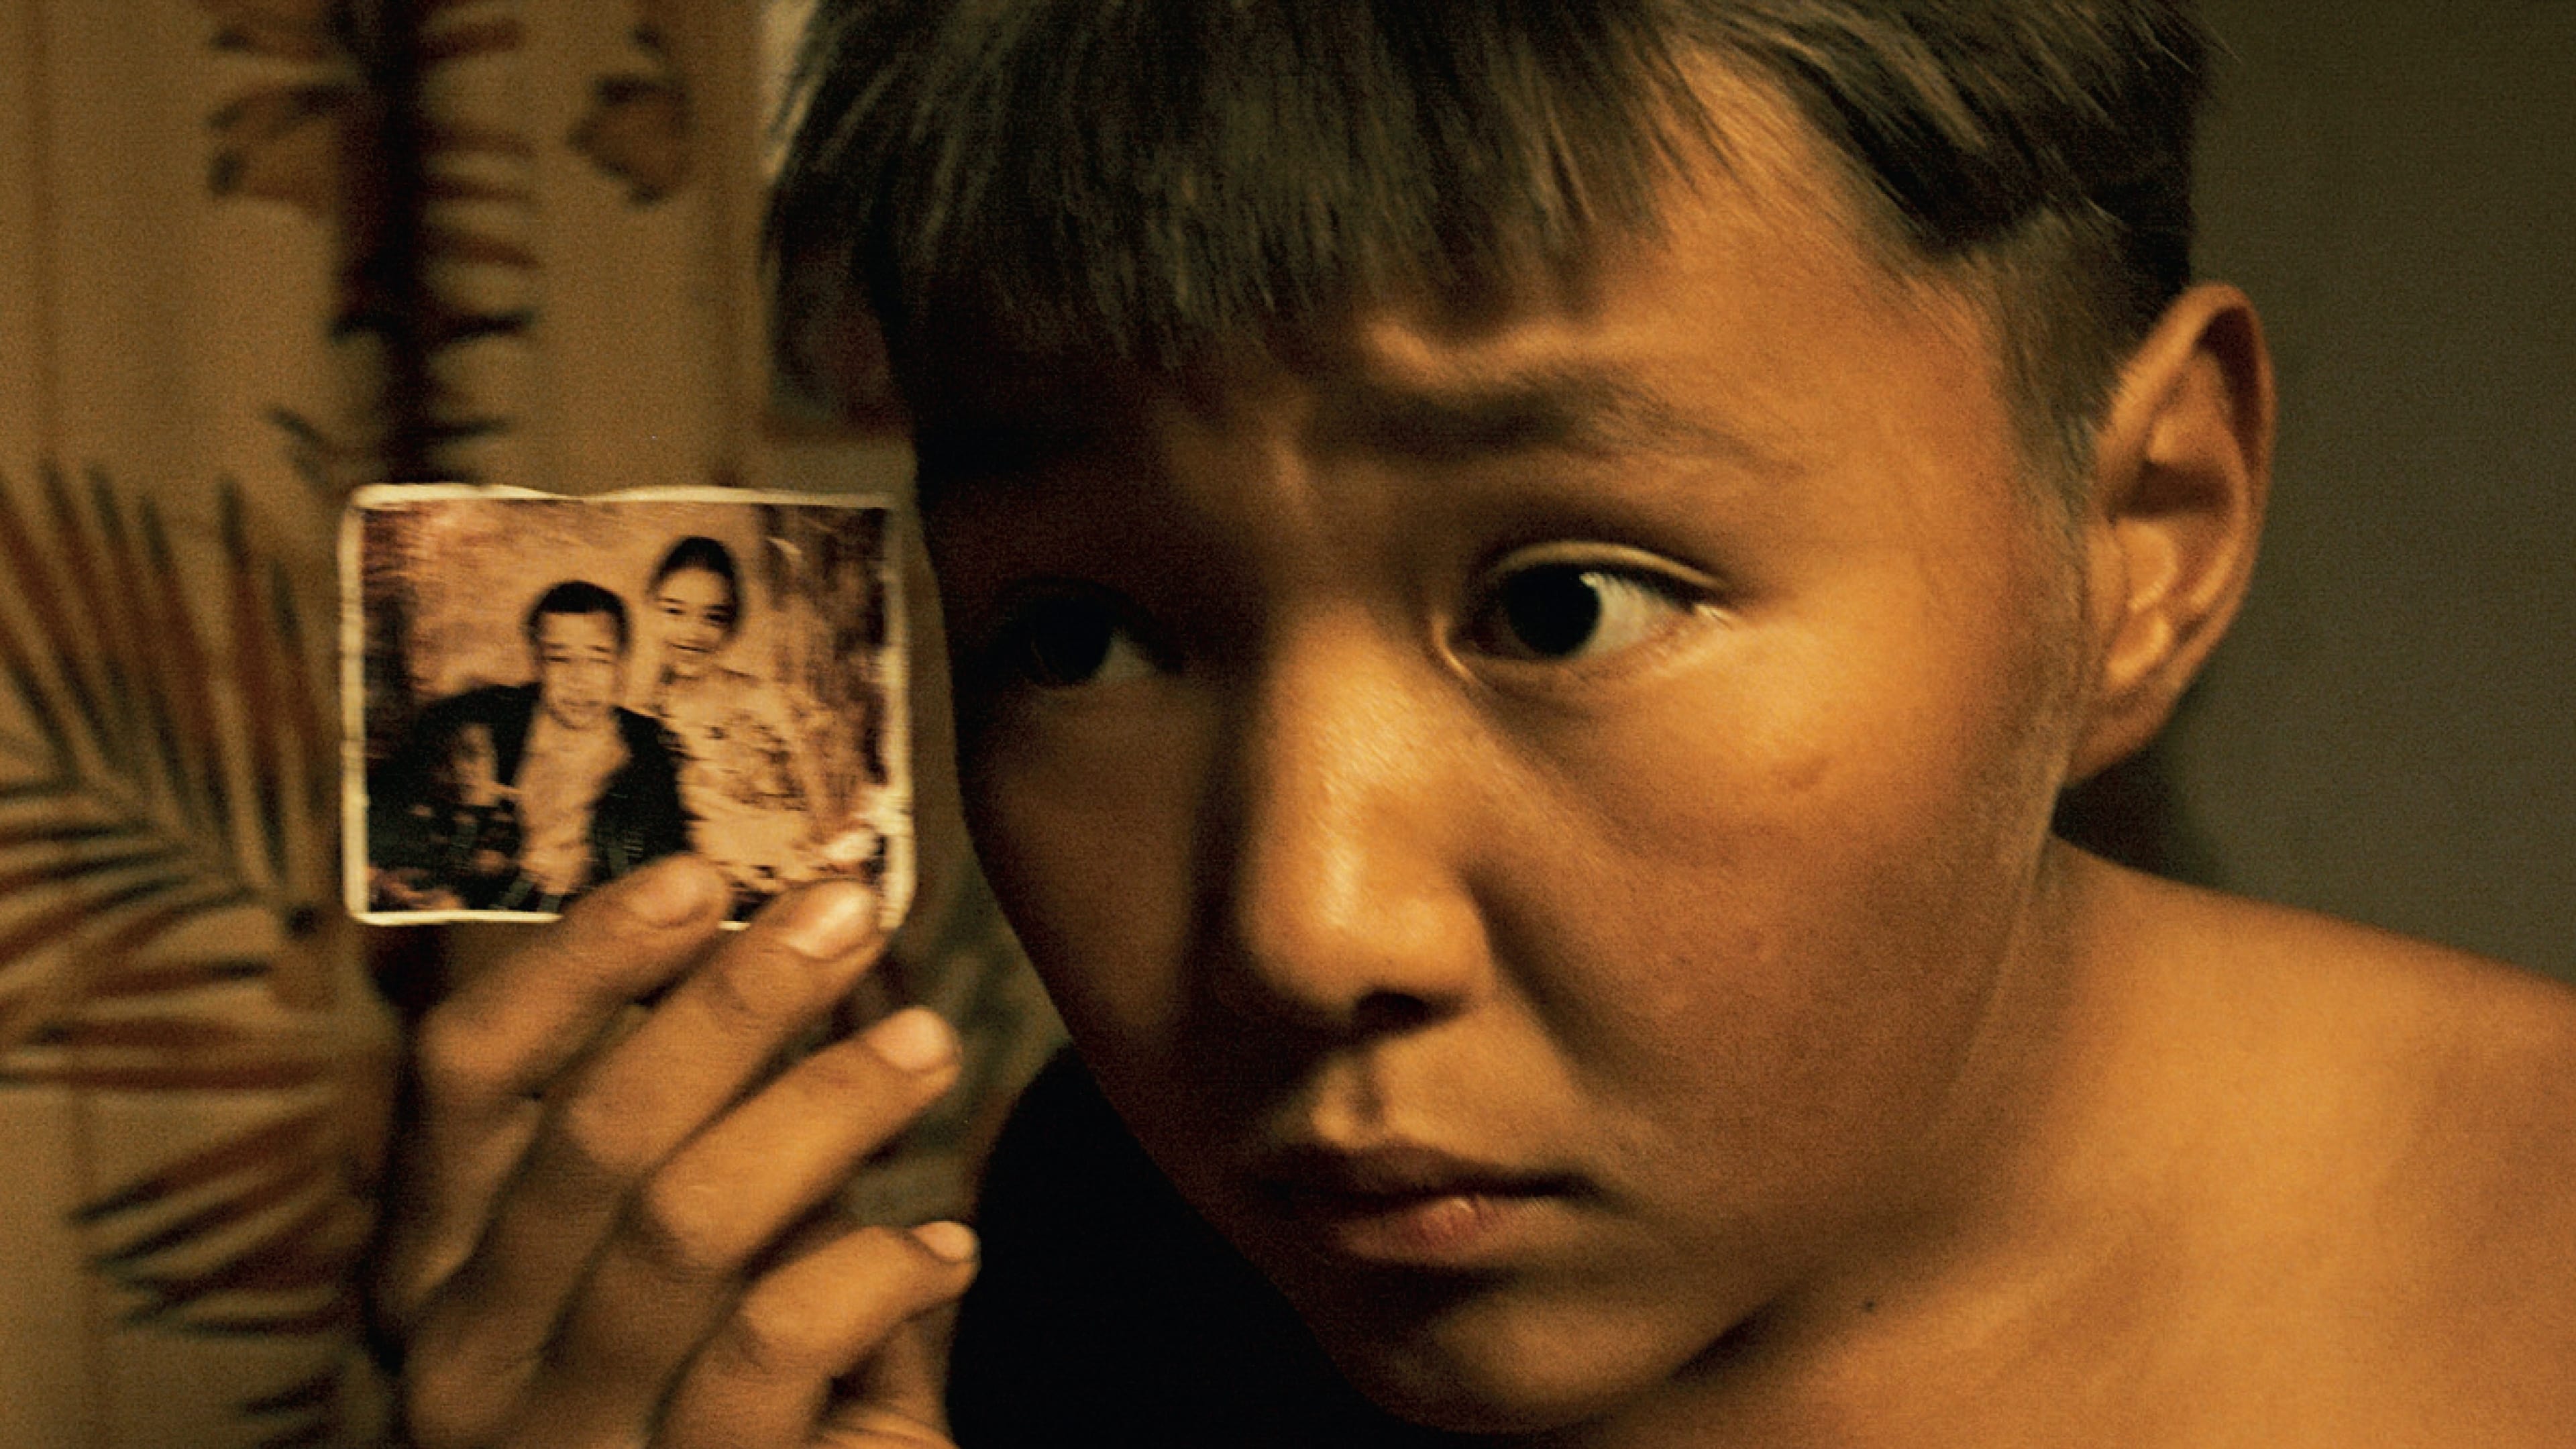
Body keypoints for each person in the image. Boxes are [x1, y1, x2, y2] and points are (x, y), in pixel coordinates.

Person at [372, 3, 2576, 1446]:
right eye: (1083, 638)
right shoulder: (1113, 1255)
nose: (1303, 932)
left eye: (1564, 607)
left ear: (2144, 533)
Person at [368, 579, 691, 914]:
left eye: (598, 660)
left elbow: (667, 864)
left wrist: (590, 869)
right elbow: (385, 803)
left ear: (623, 664)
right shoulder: (483, 720)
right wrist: (390, 876)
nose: (579, 681)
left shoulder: (650, 749)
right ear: (537, 663)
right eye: (560, 659)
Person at [641, 535, 836, 914]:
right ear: (651, 609)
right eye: (675, 612)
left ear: (732, 623)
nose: (692, 633)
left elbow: (817, 792)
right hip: (708, 892)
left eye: (712, 617)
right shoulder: (652, 715)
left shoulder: (762, 698)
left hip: (787, 875)